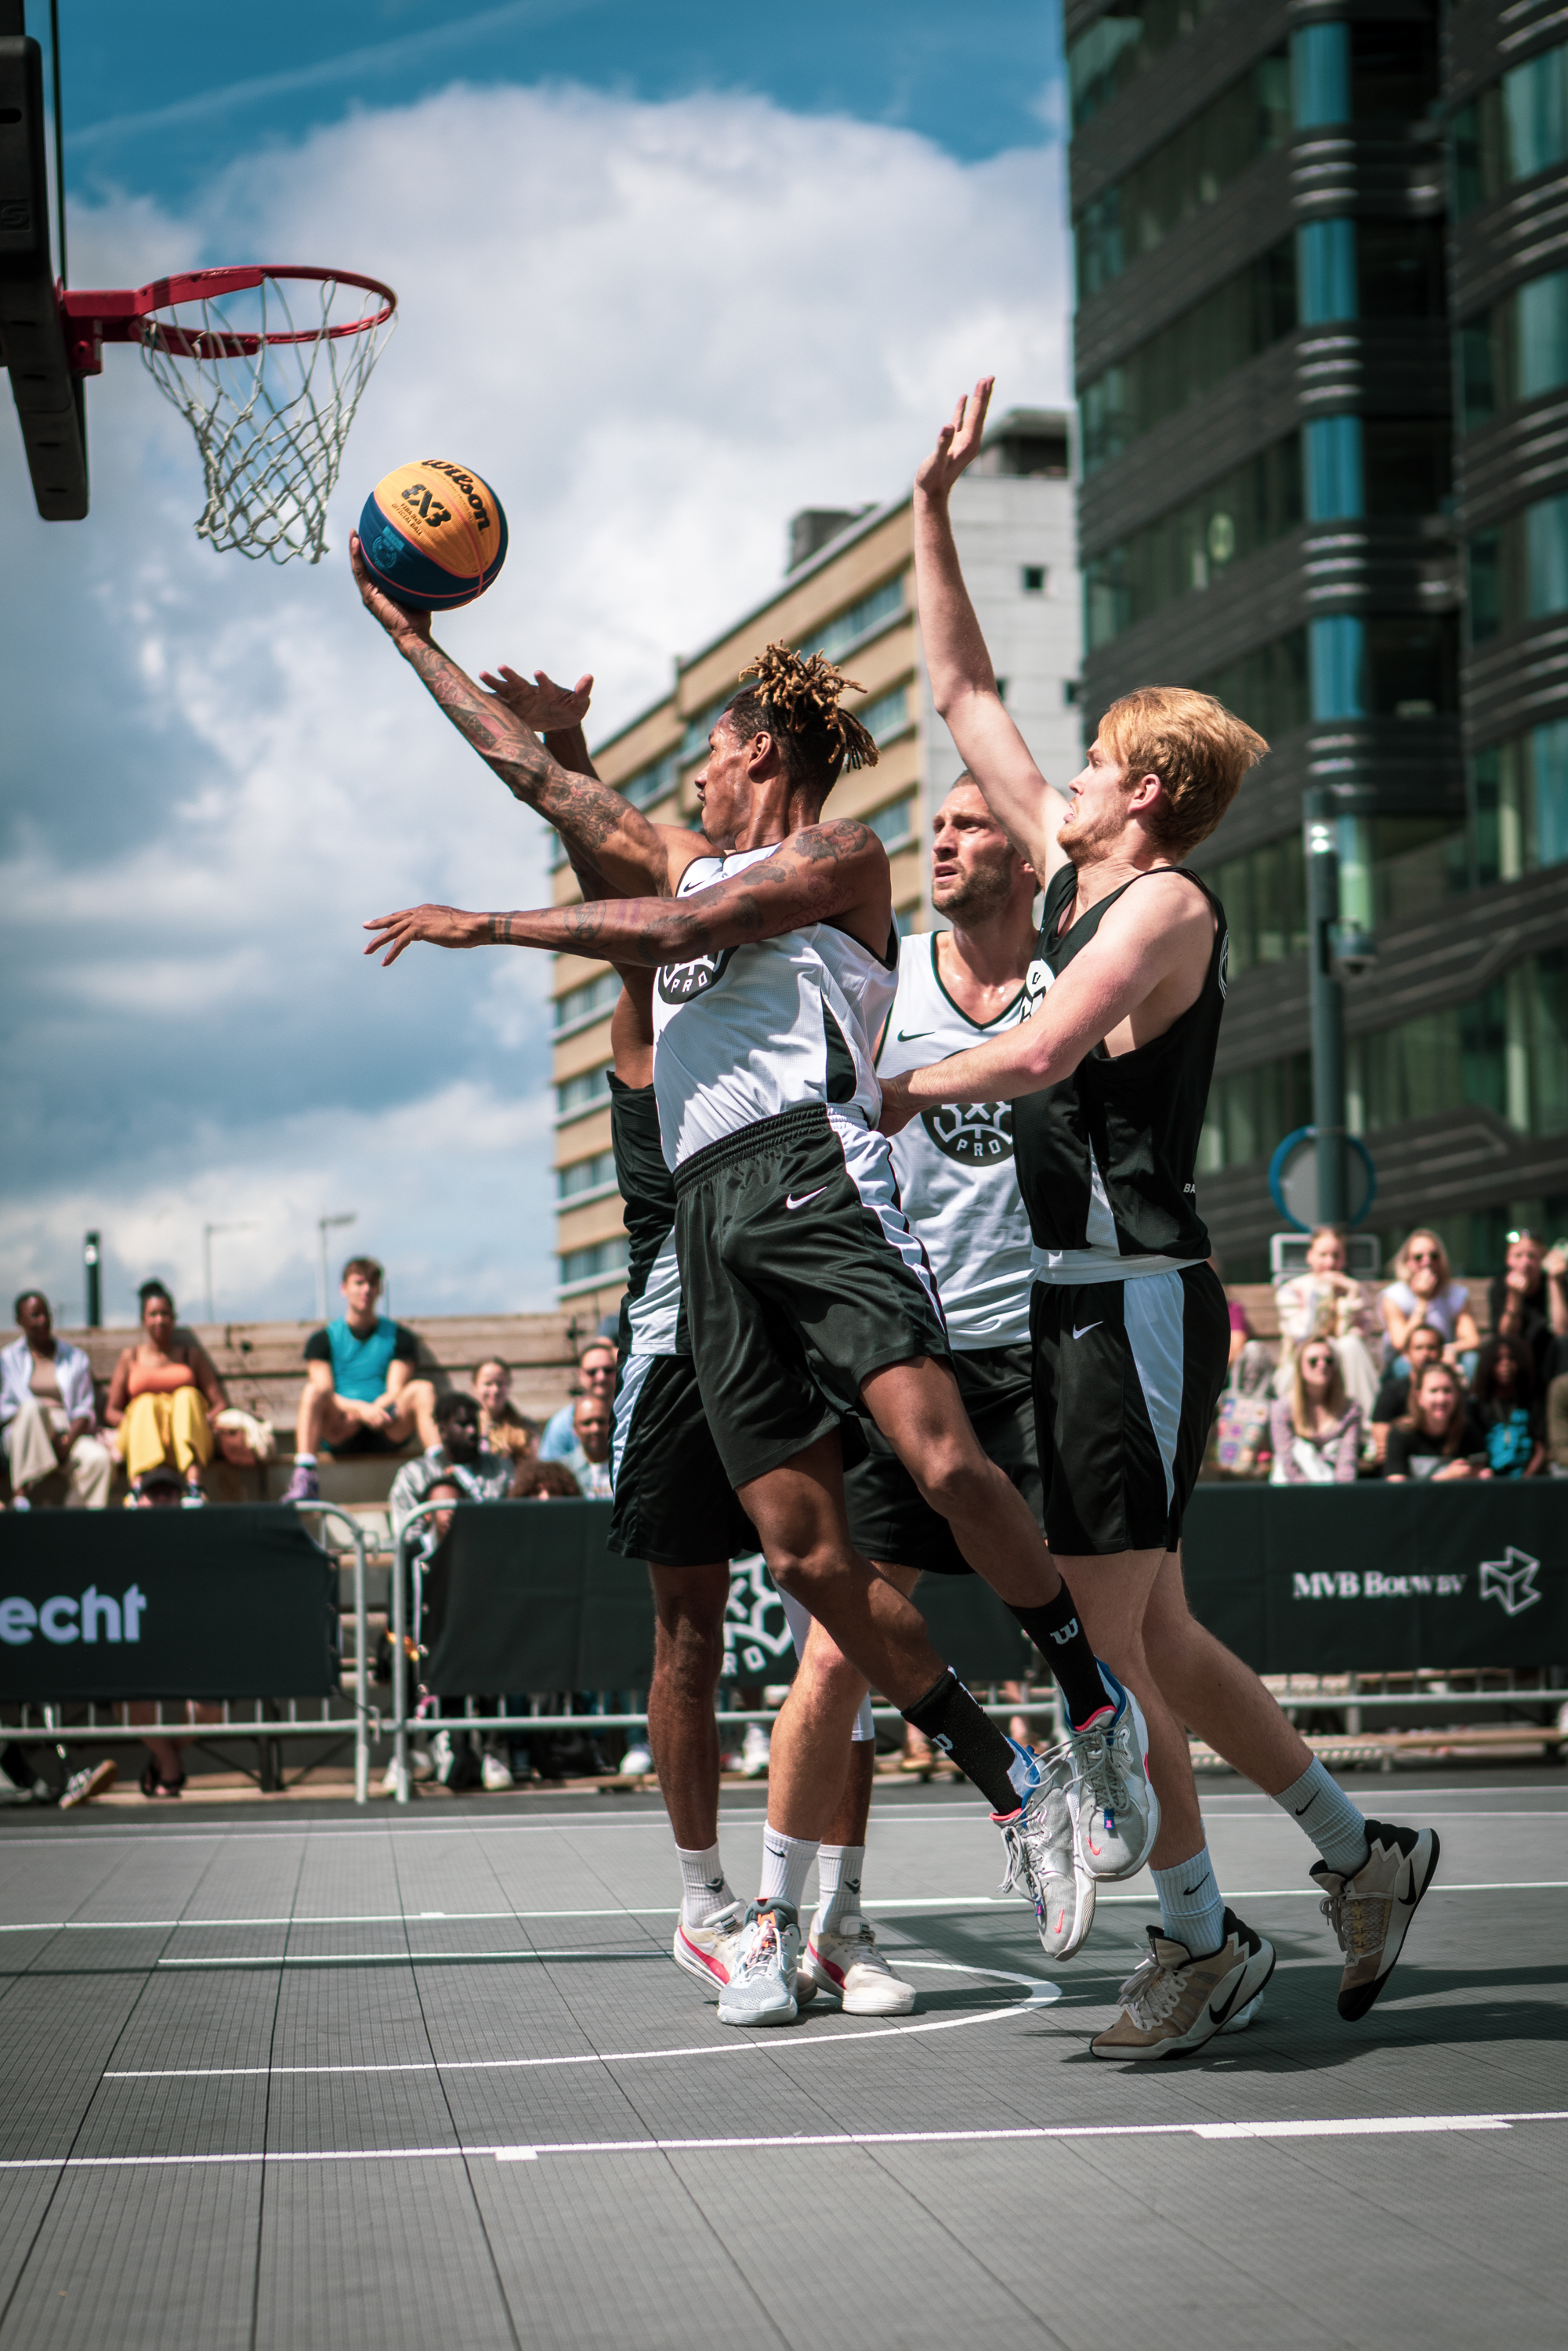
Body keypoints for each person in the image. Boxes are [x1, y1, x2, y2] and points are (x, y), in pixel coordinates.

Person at [353, 539, 1158, 2029]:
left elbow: (683, 928)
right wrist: (411, 641)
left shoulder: (841, 859)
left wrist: (491, 925)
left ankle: (1086, 1699)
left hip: (811, 1173)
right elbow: (538, 782)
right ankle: (1009, 1778)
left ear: (759, 754)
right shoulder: (680, 855)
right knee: (803, 1562)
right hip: (707, 1221)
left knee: (942, 1461)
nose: (695, 785)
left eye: (711, 760)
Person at [878, 373, 1439, 2056]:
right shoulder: (1075, 874)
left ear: (1139, 796)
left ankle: (1197, 1942)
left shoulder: (1165, 908)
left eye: (1093, 765)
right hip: (1072, 1300)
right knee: (1164, 1639)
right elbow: (961, 684)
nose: (1060, 777)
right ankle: (1360, 1852)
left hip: (1130, 1300)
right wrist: (927, 507)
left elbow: (1041, 1051)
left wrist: (893, 1086)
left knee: (1108, 1656)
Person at [284, 1258, 438, 1502]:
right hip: (341, 1428)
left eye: (372, 1283)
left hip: (386, 1424)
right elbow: (325, 1391)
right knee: (312, 1391)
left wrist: (372, 1412)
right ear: (344, 1288)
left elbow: (396, 1391)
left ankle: (440, 1471)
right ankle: (305, 1476)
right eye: (359, 1283)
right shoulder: (323, 1339)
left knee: (423, 1389)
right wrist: (360, 1411)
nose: (366, 1289)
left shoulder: (400, 1337)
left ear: (380, 1290)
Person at [125, 1463, 224, 1793]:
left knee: (210, 1709)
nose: (162, 1499)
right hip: (137, 1643)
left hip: (188, 1646)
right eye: (154, 1493)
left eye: (169, 1493)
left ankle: (163, 1761)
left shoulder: (199, 1538)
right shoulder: (120, 1538)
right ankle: (169, 1768)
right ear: (139, 1500)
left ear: (180, 1499)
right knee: (129, 1702)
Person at [104, 1281, 227, 1505]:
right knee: (144, 1403)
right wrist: (133, 1422)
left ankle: (194, 1487)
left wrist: (205, 1420)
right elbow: (111, 1410)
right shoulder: (130, 1357)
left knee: (186, 1396)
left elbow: (219, 1403)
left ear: (174, 1318)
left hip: (184, 1438)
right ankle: (138, 1490)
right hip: (143, 1439)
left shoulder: (191, 1355)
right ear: (143, 1319)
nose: (159, 1320)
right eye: (153, 1314)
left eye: (165, 1314)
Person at [2, 1291, 112, 1509]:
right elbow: (5, 1408)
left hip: (65, 1431)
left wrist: (67, 1441)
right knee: (32, 1408)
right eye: (35, 1315)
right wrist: (43, 1430)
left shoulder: (75, 1357)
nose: (43, 1320)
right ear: (19, 1321)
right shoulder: (8, 1359)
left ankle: (75, 1523)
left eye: (46, 1314)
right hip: (22, 1431)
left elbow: (84, 1409)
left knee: (99, 1459)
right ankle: (21, 1496)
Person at [1274, 1225, 1379, 1414]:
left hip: (1344, 1365)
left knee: (1350, 1344)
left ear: (1344, 1258)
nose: (1330, 1263)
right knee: (1341, 1347)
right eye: (1323, 1255)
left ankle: (1364, 1419)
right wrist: (1322, 1295)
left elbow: (1360, 1338)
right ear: (1310, 1256)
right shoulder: (1292, 1291)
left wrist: (1351, 1295)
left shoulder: (1353, 1289)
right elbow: (1305, 1336)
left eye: (1336, 1256)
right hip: (1301, 1365)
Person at [1378, 1230, 1479, 1372]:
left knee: (1471, 1359)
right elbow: (1401, 1344)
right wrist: (1422, 1300)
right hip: (1405, 1362)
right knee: (1405, 1365)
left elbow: (1472, 1339)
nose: (1427, 1262)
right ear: (1407, 1262)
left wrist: (1449, 1350)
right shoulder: (1393, 1296)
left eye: (1434, 1256)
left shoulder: (1456, 1294)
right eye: (1418, 1257)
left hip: (1444, 1358)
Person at [1267, 1342, 1362, 1483]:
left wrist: (1340, 1493)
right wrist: (1310, 1493)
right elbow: (1288, 1461)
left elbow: (1347, 1462)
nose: (1322, 1365)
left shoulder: (1350, 1410)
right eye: (1313, 1361)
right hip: (1292, 1487)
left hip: (1334, 1486)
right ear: (1300, 1367)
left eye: (1328, 1360)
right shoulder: (1282, 1409)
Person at [1488, 1230, 1568, 1386]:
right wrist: (1514, 1297)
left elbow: (1562, 1332)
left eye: (1532, 1256)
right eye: (1518, 1256)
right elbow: (1506, 1337)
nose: (1525, 1262)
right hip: (1516, 1360)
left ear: (1542, 1259)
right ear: (1508, 1259)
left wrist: (1554, 1282)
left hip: (1551, 1359)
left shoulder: (1558, 1283)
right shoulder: (1500, 1288)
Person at [1383, 1362, 1485, 1480]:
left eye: (1447, 1391)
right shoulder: (1400, 1434)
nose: (1441, 1399)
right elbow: (1396, 1486)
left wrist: (1481, 1477)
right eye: (1434, 1391)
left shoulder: (1470, 1433)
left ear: (1457, 1395)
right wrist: (1446, 1477)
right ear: (1419, 1397)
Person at [1368, 1321, 1446, 1465]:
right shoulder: (1391, 1390)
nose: (1425, 1354)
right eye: (1419, 1348)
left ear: (1441, 1352)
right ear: (1407, 1353)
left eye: (1431, 1347)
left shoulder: (1452, 1393)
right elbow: (1383, 1448)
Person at [1469, 1335, 1545, 1479]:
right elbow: (1475, 1453)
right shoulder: (1478, 1407)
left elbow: (1540, 1449)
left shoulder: (1532, 1403)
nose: (1505, 1364)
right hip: (1489, 1482)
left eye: (1511, 1359)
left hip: (1528, 1482)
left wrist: (1525, 1480)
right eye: (1498, 1360)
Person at [538, 1340, 618, 1461]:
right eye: (592, 1372)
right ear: (581, 1375)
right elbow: (550, 1469)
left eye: (608, 1370)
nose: (601, 1377)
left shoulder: (632, 1416)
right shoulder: (562, 1424)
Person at [473, 1358, 537, 1464]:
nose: (495, 1390)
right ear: (475, 1385)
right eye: (488, 1384)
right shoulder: (468, 1427)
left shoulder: (526, 1428)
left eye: (500, 1383)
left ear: (509, 1385)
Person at [561, 1392, 614, 1498]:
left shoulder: (625, 1466)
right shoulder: (563, 1472)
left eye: (601, 1421)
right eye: (587, 1423)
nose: (595, 1429)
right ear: (575, 1428)